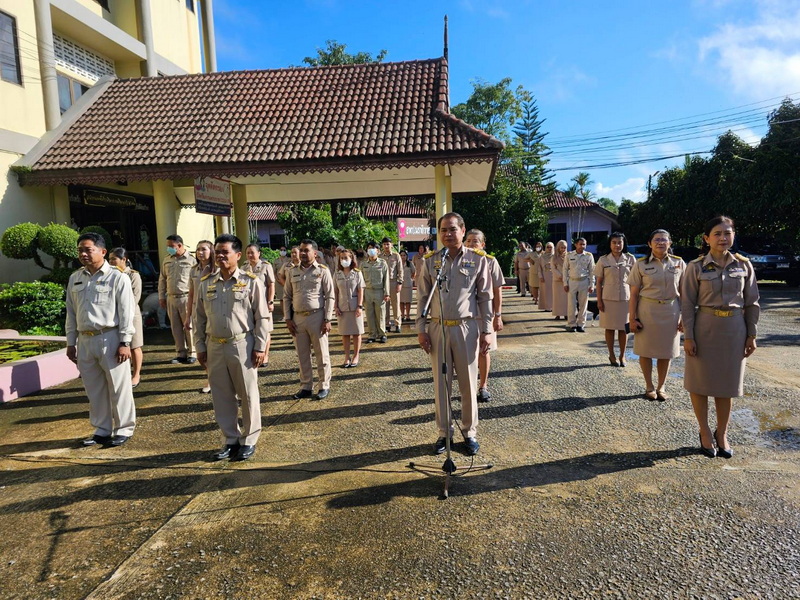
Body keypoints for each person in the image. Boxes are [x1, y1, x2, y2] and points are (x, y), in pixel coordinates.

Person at [682, 216, 759, 458]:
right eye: (717, 233)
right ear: (707, 239)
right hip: (705, 328)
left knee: (727, 384)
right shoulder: (696, 267)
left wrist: (751, 334)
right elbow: (687, 304)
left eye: (727, 233)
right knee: (700, 381)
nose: (723, 238)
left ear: (733, 236)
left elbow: (752, 302)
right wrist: (689, 337)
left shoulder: (744, 265)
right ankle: (704, 431)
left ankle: (722, 432)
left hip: (734, 330)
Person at [417, 213, 493, 456]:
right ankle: (444, 432)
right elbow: (422, 298)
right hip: (438, 328)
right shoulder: (431, 261)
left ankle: (469, 432)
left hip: (466, 327)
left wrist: (487, 330)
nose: (447, 234)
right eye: (443, 230)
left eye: (452, 229)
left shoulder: (477, 259)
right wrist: (421, 329)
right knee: (442, 384)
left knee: (468, 383)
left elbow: (485, 298)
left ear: (462, 230)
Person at [195, 234, 270, 461]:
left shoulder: (251, 281)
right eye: (217, 252)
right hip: (215, 345)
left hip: (242, 344)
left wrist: (260, 347)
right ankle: (230, 438)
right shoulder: (206, 282)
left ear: (237, 255)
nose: (220, 256)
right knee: (221, 395)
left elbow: (262, 317)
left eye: (225, 252)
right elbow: (199, 318)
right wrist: (199, 346)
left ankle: (249, 439)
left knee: (247, 394)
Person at [66, 233, 136, 447]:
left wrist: (125, 342)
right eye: (80, 250)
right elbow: (71, 312)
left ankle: (124, 428)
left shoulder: (117, 277)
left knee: (119, 387)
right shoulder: (75, 278)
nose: (83, 254)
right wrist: (70, 342)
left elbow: (127, 312)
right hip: (85, 340)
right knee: (94, 388)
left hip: (110, 338)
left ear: (103, 251)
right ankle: (102, 429)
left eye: (88, 250)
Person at [628, 229, 685, 401]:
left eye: (664, 240)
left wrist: (684, 317)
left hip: (671, 311)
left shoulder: (679, 263)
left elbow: (685, 292)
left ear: (670, 243)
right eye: (657, 240)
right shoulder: (641, 264)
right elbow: (634, 294)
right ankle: (649, 386)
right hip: (647, 311)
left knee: (666, 351)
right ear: (649, 243)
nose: (660, 243)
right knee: (645, 350)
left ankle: (661, 386)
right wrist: (632, 318)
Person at [283, 239, 335, 399]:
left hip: (317, 317)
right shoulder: (292, 271)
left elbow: (330, 296)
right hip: (298, 318)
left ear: (315, 252)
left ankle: (324, 385)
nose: (303, 253)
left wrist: (327, 319)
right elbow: (286, 296)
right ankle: (306, 386)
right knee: (302, 355)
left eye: (306, 250)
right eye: (301, 250)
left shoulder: (322, 271)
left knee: (322, 354)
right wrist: (288, 318)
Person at [465, 229, 504, 404]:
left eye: (475, 241)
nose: (471, 244)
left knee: (483, 350)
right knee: (466, 353)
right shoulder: (460, 260)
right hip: (465, 315)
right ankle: (469, 386)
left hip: (484, 315)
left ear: (483, 244)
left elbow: (497, 290)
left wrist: (498, 315)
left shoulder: (490, 261)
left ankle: (483, 386)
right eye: (468, 241)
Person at [595, 233, 636, 367]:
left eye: (620, 242)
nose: (617, 245)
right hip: (608, 298)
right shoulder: (603, 260)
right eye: (614, 242)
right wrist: (599, 301)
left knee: (624, 329)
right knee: (610, 328)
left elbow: (635, 282)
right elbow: (599, 282)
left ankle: (622, 355)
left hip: (625, 299)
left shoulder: (630, 259)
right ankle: (611, 354)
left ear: (624, 244)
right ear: (610, 244)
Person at [158, 234, 197, 364]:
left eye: (171, 246)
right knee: (175, 328)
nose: (168, 248)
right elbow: (162, 279)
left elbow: (196, 280)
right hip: (171, 298)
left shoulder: (191, 260)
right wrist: (161, 296)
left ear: (179, 245)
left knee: (189, 326)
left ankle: (192, 352)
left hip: (186, 297)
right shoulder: (167, 260)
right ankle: (181, 353)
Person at [108, 248, 144, 388]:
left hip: (132, 315)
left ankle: (136, 375)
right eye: (109, 259)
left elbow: (135, 297)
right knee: (119, 347)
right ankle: (124, 375)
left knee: (134, 346)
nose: (111, 262)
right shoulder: (110, 275)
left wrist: (124, 312)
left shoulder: (133, 275)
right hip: (115, 316)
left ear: (124, 259)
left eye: (114, 259)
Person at [186, 240, 215, 393]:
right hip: (198, 313)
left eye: (204, 249)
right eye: (198, 250)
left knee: (214, 347)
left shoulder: (217, 269)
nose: (200, 252)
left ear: (211, 251)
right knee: (201, 348)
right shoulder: (194, 270)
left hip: (213, 311)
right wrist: (188, 316)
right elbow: (191, 294)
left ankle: (216, 380)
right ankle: (211, 378)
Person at [242, 243, 276, 359]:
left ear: (259, 253)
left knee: (265, 329)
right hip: (249, 304)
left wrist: (270, 301)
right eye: (248, 253)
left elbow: (271, 284)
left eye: (252, 252)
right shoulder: (244, 267)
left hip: (263, 303)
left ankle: (265, 356)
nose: (250, 255)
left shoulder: (266, 266)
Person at [334, 249, 365, 368]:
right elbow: (335, 292)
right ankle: (347, 357)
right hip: (342, 308)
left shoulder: (357, 273)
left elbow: (360, 290)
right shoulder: (337, 274)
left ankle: (356, 355)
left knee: (357, 333)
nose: (344, 260)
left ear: (351, 259)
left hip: (355, 307)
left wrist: (359, 306)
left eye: (346, 258)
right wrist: (335, 306)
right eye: (342, 258)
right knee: (345, 334)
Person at [563, 237, 595, 332]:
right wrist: (565, 283)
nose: (582, 246)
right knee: (571, 304)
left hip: (584, 281)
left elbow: (592, 271)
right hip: (572, 281)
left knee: (583, 304)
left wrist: (592, 284)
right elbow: (565, 269)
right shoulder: (569, 255)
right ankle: (572, 324)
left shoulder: (589, 256)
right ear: (576, 245)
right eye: (580, 244)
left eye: (584, 244)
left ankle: (581, 324)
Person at [361, 240, 390, 343]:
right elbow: (361, 280)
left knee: (380, 314)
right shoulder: (363, 264)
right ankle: (372, 335)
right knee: (369, 314)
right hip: (367, 291)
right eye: (369, 248)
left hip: (379, 291)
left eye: (373, 248)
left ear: (378, 250)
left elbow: (386, 279)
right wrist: (361, 295)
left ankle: (382, 334)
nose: (371, 250)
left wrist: (387, 293)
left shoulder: (382, 263)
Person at [380, 237, 403, 333]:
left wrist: (400, 282)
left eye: (388, 244)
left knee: (396, 304)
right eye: (384, 244)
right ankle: (386, 324)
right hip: (383, 283)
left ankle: (398, 324)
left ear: (391, 245)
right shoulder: (380, 257)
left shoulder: (396, 256)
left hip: (393, 282)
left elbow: (400, 270)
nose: (386, 246)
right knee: (385, 305)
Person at [551, 240, 569, 320]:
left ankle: (566, 313)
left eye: (564, 247)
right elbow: (553, 268)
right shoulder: (554, 257)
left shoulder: (568, 256)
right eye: (561, 247)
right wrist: (560, 275)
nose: (563, 249)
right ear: (558, 247)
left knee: (566, 298)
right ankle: (557, 314)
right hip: (557, 280)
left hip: (567, 280)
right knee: (557, 298)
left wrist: (566, 276)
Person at [399, 250, 416, 322]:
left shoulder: (410, 263)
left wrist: (411, 279)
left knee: (408, 301)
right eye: (401, 255)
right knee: (401, 301)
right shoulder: (397, 263)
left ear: (406, 256)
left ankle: (408, 315)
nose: (402, 257)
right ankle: (402, 315)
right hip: (400, 285)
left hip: (408, 285)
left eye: (404, 255)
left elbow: (414, 272)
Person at [537, 242, 555, 312]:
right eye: (548, 247)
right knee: (546, 292)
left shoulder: (555, 256)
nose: (549, 248)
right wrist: (540, 276)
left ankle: (554, 307)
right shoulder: (542, 257)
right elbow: (539, 268)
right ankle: (547, 307)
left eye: (551, 247)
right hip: (545, 276)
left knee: (554, 292)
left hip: (554, 275)